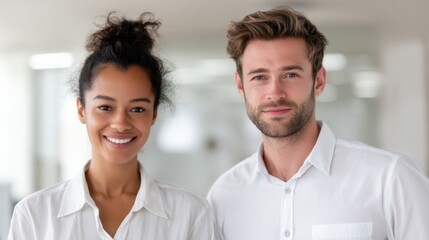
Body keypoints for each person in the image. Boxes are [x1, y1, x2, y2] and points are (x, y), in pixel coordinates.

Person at [207, 6, 429, 240]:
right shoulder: (223, 195)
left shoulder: (390, 179)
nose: (274, 92)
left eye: (291, 74)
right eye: (259, 77)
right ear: (240, 85)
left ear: (319, 80)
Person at [9, 12, 217, 240]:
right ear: (81, 110)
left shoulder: (190, 214)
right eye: (105, 107)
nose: (120, 123)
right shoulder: (35, 215)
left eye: (137, 109)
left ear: (154, 114)